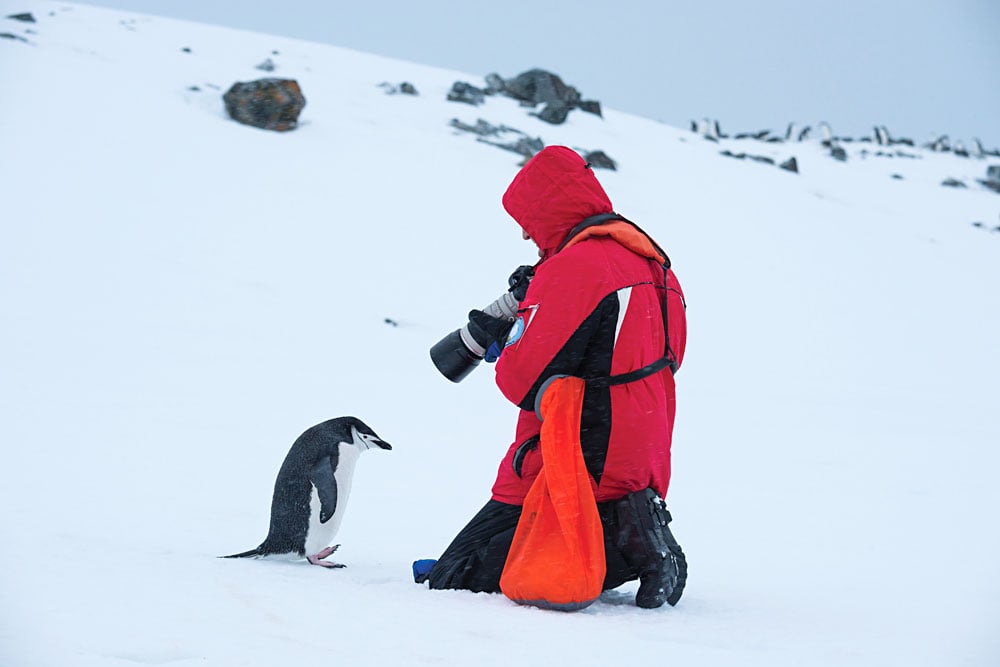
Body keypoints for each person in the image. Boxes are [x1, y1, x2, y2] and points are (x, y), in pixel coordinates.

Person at [417, 145, 688, 609]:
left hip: (573, 462)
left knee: (456, 575)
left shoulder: (575, 267)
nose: (524, 234)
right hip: (640, 459)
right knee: (478, 563)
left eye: (528, 218)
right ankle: (633, 524)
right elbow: (669, 356)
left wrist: (521, 328)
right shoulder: (655, 265)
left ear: (552, 209)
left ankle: (628, 547)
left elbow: (518, 382)